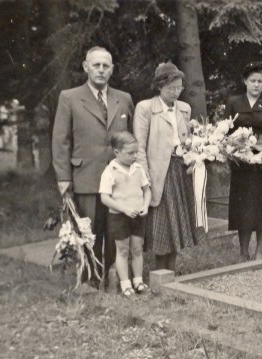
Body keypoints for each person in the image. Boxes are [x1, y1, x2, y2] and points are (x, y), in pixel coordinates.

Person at [52, 46, 134, 286]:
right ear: (85, 67)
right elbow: (61, 140)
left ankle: (114, 277)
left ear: (112, 69)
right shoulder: (69, 97)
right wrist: (63, 177)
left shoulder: (124, 98)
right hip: (86, 176)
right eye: (96, 65)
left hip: (118, 180)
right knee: (89, 231)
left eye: (105, 66)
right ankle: (90, 281)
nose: (100, 70)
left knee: (116, 230)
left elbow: (131, 138)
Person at [134, 62, 199, 271]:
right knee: (162, 224)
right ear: (159, 86)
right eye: (171, 88)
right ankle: (160, 272)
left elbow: (189, 142)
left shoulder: (184, 108)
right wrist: (144, 178)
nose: (176, 92)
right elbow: (139, 146)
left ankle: (171, 270)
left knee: (177, 223)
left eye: (179, 88)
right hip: (159, 172)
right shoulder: (145, 108)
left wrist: (194, 158)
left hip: (181, 171)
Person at [224, 62, 262, 261]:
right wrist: (237, 146)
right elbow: (224, 131)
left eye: (260, 81)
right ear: (245, 81)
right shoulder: (234, 102)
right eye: (253, 81)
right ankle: (243, 252)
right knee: (244, 207)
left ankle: (259, 251)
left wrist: (258, 146)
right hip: (242, 164)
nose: (256, 85)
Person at [99, 132, 151, 296]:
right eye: (130, 153)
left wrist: (145, 206)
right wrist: (124, 209)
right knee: (122, 250)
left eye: (136, 152)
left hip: (138, 216)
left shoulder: (138, 168)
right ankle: (125, 284)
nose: (134, 156)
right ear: (117, 152)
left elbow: (146, 190)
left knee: (137, 248)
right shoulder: (110, 171)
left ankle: (138, 281)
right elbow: (105, 198)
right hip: (119, 217)